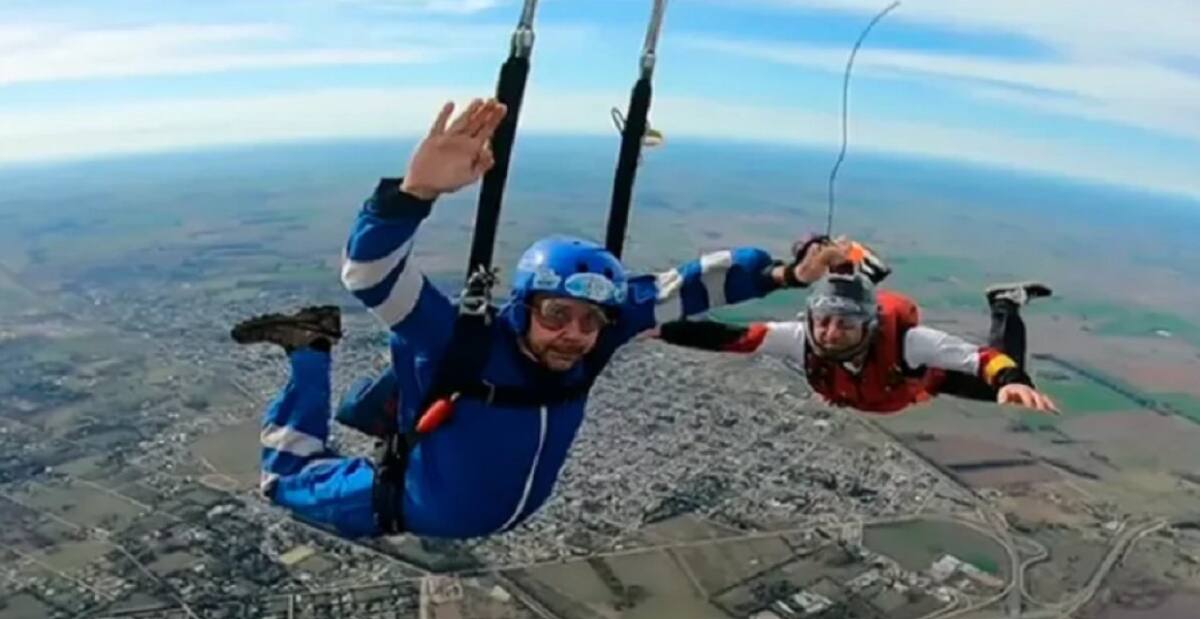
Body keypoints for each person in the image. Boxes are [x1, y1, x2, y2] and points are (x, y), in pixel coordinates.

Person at [230, 98, 849, 539]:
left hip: (468, 510)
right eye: (556, 314)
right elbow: (369, 275)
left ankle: (345, 378)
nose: (574, 335)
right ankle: (309, 349)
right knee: (284, 481)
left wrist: (785, 275)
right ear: (522, 306)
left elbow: (686, 287)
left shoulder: (597, 338)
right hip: (408, 505)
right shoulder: (461, 340)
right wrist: (413, 194)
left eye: (590, 320)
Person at [657, 264, 1060, 415]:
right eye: (823, 322)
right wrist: (659, 328)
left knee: (1000, 386)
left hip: (925, 377)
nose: (831, 334)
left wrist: (1012, 380)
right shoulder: (800, 338)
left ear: (869, 327)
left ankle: (1005, 304)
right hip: (885, 389)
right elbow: (733, 338)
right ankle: (861, 272)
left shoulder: (911, 343)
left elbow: (983, 359)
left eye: (846, 325)